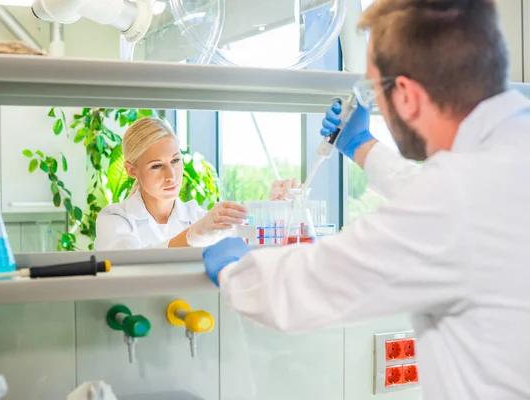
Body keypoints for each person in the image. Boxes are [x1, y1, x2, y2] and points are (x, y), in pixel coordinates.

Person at [202, 1, 530, 399]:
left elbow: (308, 287)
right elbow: (460, 212)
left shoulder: (457, 199)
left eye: (374, 90)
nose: (374, 103)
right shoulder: (503, 161)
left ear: (406, 95)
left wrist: (235, 271)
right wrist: (362, 146)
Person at [95, 117, 295, 250]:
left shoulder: (194, 215)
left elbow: (246, 241)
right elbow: (133, 263)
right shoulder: (114, 218)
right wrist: (195, 235)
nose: (171, 176)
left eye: (175, 160)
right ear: (132, 170)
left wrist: (273, 209)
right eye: (157, 166)